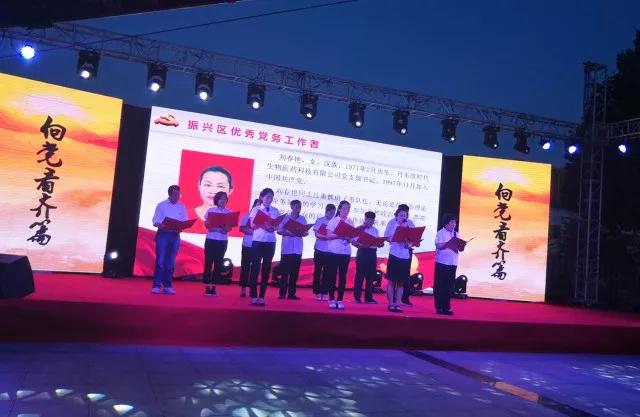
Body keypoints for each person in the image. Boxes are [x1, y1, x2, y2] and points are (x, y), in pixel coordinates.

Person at [151, 185, 187, 295]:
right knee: (161, 260)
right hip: (163, 234)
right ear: (170, 194)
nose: (178, 196)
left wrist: (181, 227)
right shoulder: (161, 205)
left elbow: (184, 221)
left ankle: (167, 286)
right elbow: (155, 221)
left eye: (179, 194)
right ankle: (156, 285)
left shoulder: (181, 206)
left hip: (175, 235)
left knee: (171, 262)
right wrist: (161, 224)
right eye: (175, 194)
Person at [248, 188, 281, 306]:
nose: (269, 199)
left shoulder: (275, 210)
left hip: (270, 242)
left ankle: (262, 296)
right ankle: (253, 295)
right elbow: (252, 225)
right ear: (262, 197)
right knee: (255, 268)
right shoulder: (256, 209)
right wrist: (264, 225)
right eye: (267, 197)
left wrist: (273, 227)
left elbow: (278, 226)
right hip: (258, 241)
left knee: (266, 269)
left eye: (271, 197)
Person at [384, 204, 416, 312]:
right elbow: (386, 237)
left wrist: (409, 244)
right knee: (391, 281)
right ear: (396, 216)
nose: (403, 217)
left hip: (405, 256)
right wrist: (394, 237)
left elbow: (413, 239)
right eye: (401, 215)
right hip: (394, 254)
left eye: (405, 215)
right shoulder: (392, 223)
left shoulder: (410, 224)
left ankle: (398, 303)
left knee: (401, 282)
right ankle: (391, 303)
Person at [325, 200, 354, 310]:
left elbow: (352, 237)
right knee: (332, 276)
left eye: (348, 209)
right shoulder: (334, 221)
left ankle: (340, 299)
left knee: (343, 276)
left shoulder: (350, 222)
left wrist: (349, 238)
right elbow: (328, 235)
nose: (346, 211)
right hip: (334, 251)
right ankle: (332, 298)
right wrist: (340, 235)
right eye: (344, 208)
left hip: (345, 252)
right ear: (340, 209)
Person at [277, 200, 308, 300]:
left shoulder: (302, 219)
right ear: (291, 207)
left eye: (300, 207)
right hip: (287, 248)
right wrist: (288, 233)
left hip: (297, 249)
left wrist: (302, 233)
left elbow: (305, 232)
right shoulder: (285, 218)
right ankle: (282, 293)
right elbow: (279, 231)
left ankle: (291, 294)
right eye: (296, 207)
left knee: (294, 273)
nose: (298, 209)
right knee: (285, 272)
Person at [434, 213, 464, 315]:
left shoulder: (456, 234)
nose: (454, 224)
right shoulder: (440, 233)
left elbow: (460, 248)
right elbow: (438, 245)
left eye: (455, 222)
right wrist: (449, 243)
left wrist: (462, 246)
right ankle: (439, 307)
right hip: (442, 262)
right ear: (447, 223)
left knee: (449, 286)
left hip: (453, 263)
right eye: (452, 222)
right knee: (440, 285)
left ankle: (447, 307)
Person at [202, 191, 231, 296]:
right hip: (211, 239)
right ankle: (207, 286)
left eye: (224, 199)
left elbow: (229, 228)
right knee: (208, 263)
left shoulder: (229, 212)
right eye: (221, 199)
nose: (223, 201)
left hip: (222, 241)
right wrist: (213, 227)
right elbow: (206, 224)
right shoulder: (211, 210)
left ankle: (214, 287)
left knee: (218, 264)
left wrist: (223, 229)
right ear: (216, 200)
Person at [352, 211, 383, 304]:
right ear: (364, 219)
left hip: (372, 253)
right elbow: (353, 242)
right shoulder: (359, 229)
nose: (369, 222)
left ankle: (368, 297)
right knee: (360, 276)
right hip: (362, 252)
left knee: (370, 277)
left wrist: (380, 244)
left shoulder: (375, 230)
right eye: (367, 220)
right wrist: (360, 245)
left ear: (373, 221)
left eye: (371, 220)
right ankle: (357, 297)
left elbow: (377, 242)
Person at [312, 204, 336, 301]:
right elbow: (317, 234)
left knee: (327, 272)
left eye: (334, 213)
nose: (332, 215)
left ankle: (325, 292)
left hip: (330, 251)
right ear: (326, 211)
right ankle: (317, 292)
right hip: (319, 249)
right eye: (331, 212)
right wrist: (326, 237)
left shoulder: (335, 222)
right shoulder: (320, 220)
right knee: (318, 271)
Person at [238, 198, 261, 297]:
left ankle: (252, 290)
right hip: (247, 244)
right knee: (245, 267)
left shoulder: (264, 218)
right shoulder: (246, 216)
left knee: (255, 268)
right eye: (257, 205)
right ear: (253, 206)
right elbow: (242, 228)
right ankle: (243, 289)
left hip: (258, 245)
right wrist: (253, 232)